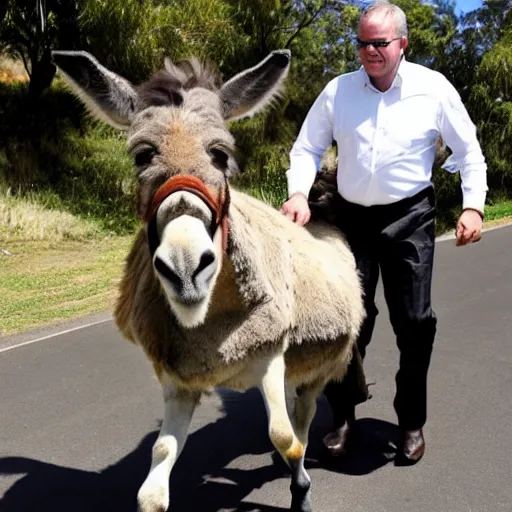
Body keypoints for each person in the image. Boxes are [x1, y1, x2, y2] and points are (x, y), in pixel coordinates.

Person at [281, 0, 487, 465]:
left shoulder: (432, 90)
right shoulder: (338, 92)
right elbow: (307, 146)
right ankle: (343, 416)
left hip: (410, 217)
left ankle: (411, 421)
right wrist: (297, 194)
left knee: (414, 323)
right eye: (362, 42)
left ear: (402, 44)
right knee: (347, 323)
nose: (369, 51)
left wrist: (473, 205)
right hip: (352, 218)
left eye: (379, 43)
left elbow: (469, 152)